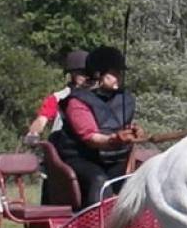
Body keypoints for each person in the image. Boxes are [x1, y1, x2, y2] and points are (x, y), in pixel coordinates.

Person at [54, 46, 143, 206]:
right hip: (82, 158)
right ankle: (98, 226)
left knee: (140, 177)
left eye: (120, 73)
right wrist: (114, 139)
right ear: (97, 74)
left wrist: (134, 131)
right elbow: (90, 138)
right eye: (114, 73)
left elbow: (123, 125)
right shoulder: (77, 102)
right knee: (99, 180)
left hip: (114, 158)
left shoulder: (126, 99)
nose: (119, 77)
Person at [25, 49, 88, 144]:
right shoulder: (58, 97)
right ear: (72, 74)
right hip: (63, 145)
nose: (85, 76)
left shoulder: (98, 97)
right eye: (80, 72)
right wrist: (34, 132)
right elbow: (42, 119)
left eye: (87, 72)